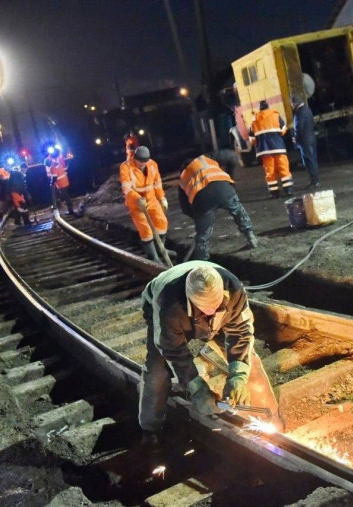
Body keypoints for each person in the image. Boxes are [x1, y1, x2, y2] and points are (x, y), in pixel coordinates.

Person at [138, 261, 280, 444]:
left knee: (250, 365)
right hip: (164, 309)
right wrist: (196, 388)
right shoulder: (169, 304)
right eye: (207, 308)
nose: (212, 310)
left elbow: (241, 333)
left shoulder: (234, 290)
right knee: (157, 373)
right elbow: (172, 350)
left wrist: (238, 376)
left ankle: (273, 422)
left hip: (219, 318)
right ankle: (150, 429)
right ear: (191, 300)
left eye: (216, 305)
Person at [178, 153, 258, 260]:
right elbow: (231, 157)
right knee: (238, 211)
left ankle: (203, 258)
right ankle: (251, 237)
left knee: (202, 235)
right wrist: (230, 176)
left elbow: (185, 207)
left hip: (203, 200)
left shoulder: (183, 177)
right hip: (224, 189)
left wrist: (198, 218)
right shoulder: (205, 159)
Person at [119, 146, 169, 262]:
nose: (142, 164)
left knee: (162, 223)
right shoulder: (125, 167)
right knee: (145, 229)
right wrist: (137, 198)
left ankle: (161, 250)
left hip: (151, 200)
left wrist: (162, 198)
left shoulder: (152, 164)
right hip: (136, 203)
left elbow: (157, 184)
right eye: (140, 161)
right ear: (134, 158)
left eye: (145, 161)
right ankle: (153, 257)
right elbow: (126, 188)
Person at [250, 100, 293, 198]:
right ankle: (288, 190)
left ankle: (274, 193)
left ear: (259, 108)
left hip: (264, 150)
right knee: (284, 168)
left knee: (270, 171)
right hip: (278, 147)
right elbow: (283, 130)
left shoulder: (254, 119)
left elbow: (252, 139)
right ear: (268, 107)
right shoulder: (275, 115)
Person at [291, 94, 319, 189]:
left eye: (292, 104)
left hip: (304, 141)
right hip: (311, 138)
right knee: (312, 159)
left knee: (308, 161)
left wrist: (295, 139)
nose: (291, 106)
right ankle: (315, 180)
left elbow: (299, 127)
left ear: (295, 103)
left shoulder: (299, 112)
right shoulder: (307, 110)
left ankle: (314, 181)